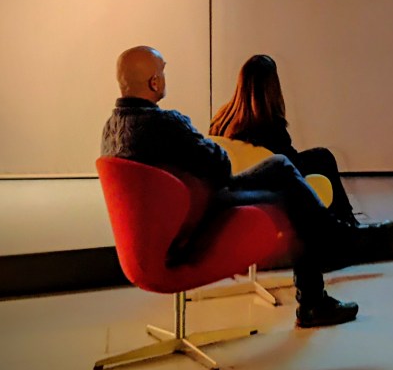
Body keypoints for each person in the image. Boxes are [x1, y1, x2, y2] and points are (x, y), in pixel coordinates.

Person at [100, 45, 361, 328]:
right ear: (154, 82)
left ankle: (334, 240)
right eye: (162, 72)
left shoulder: (112, 129)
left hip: (164, 230)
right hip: (199, 221)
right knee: (292, 193)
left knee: (280, 167)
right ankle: (319, 288)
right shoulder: (166, 123)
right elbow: (220, 165)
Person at [209, 54, 365, 226]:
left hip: (238, 186)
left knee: (320, 156)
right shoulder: (269, 124)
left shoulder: (221, 119)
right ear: (273, 87)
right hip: (269, 183)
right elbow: (290, 165)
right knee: (323, 157)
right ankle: (346, 221)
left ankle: (345, 219)